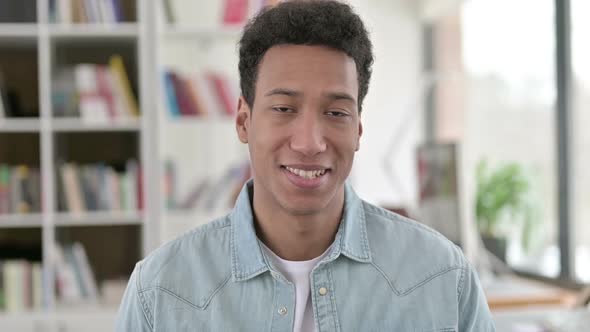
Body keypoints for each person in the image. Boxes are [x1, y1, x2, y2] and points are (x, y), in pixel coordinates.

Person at [116, 1, 496, 331]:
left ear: (358, 130)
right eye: (283, 109)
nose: (310, 143)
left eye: (335, 112)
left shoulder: (444, 278)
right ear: (244, 121)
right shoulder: (160, 291)